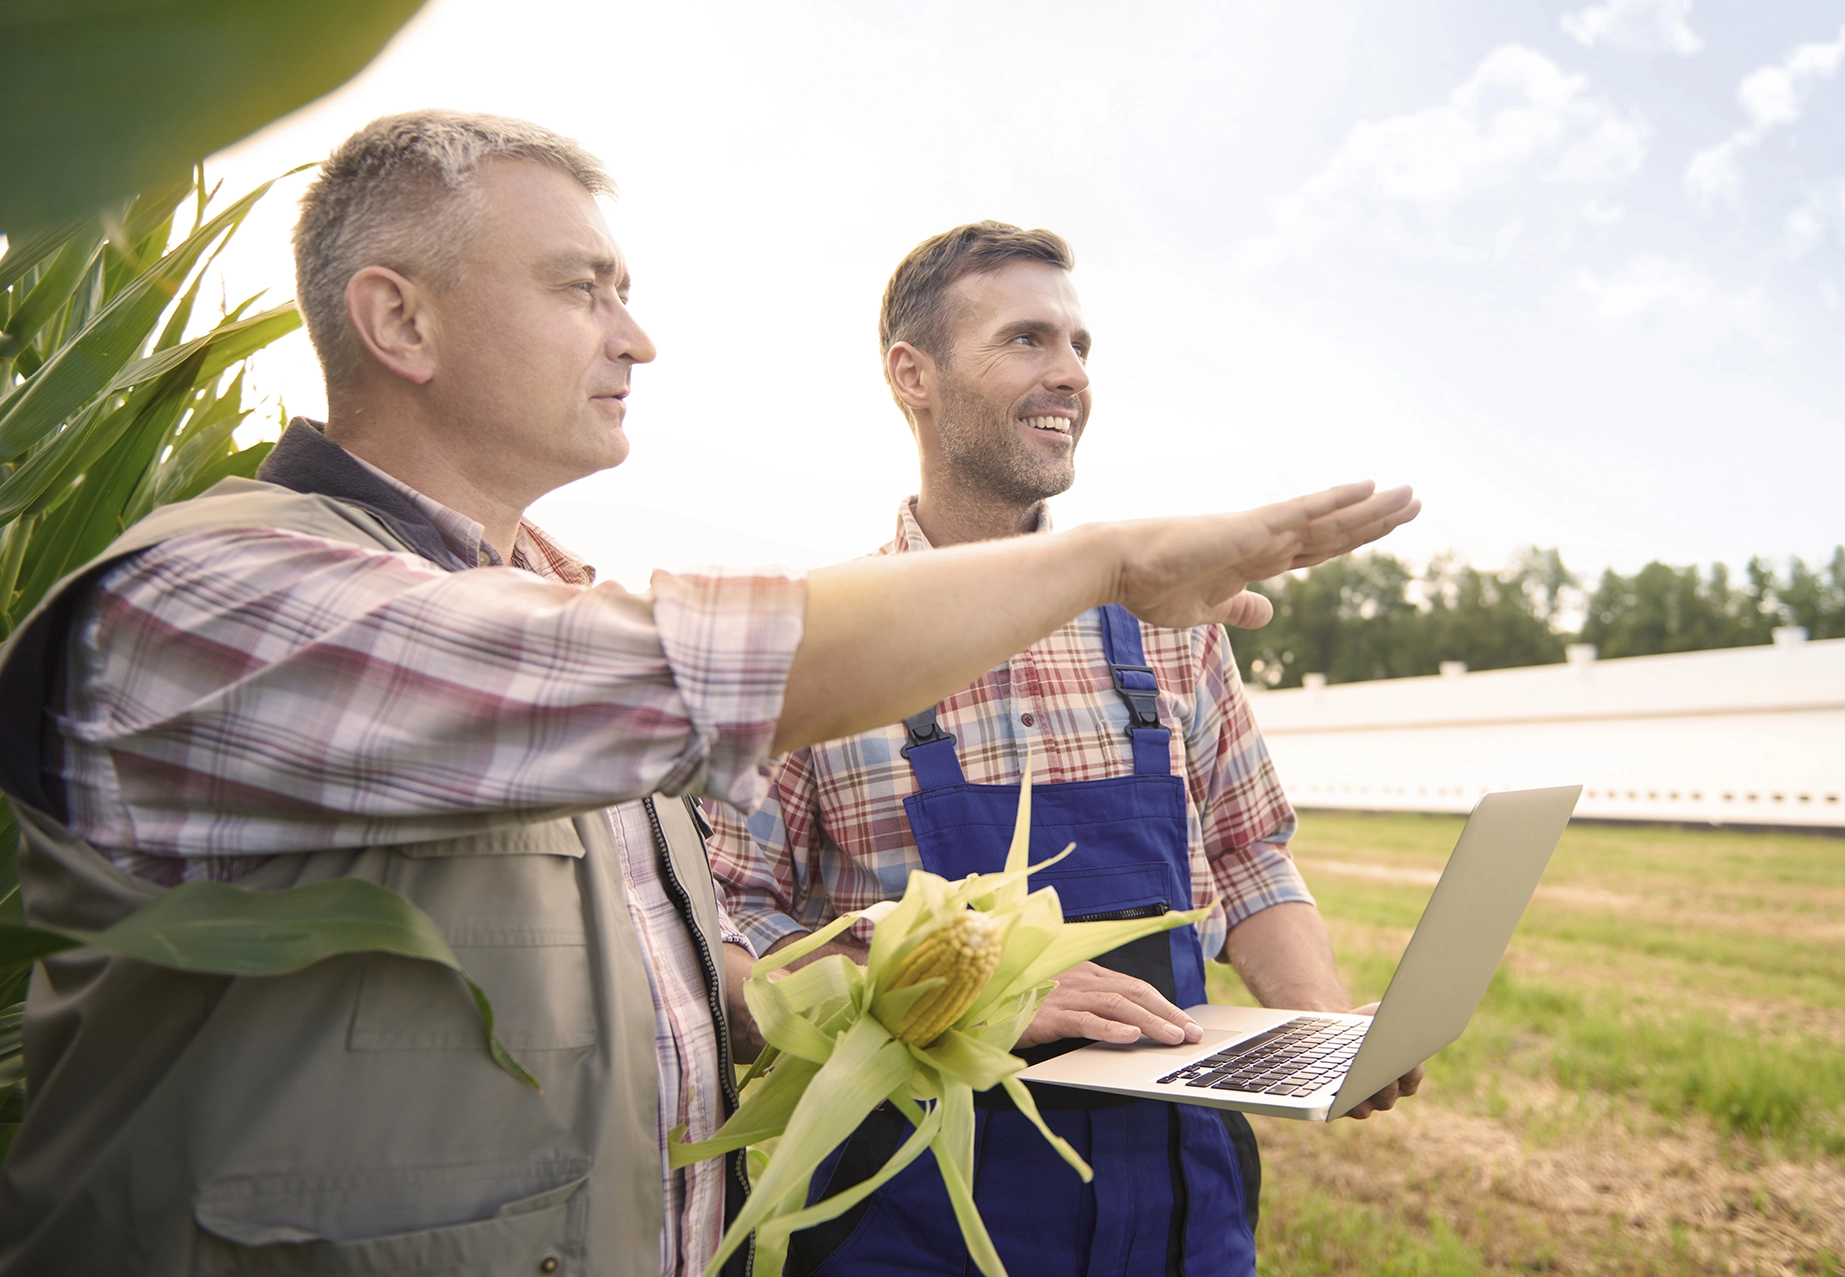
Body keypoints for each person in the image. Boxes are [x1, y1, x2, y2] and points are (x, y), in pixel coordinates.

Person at [0, 122, 1417, 1276]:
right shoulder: (217, 599)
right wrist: (1110, 559)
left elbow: (689, 977)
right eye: (584, 288)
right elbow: (695, 681)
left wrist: (919, 987)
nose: (639, 339)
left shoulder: (542, 605)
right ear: (400, 319)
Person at [705, 221, 1425, 1277]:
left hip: (1181, 1200)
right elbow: (719, 923)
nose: (1069, 375)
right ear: (914, 374)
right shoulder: (825, 641)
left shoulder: (1176, 622)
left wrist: (1320, 1032)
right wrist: (964, 997)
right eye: (1027, 340)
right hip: (913, 1212)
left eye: (1080, 345)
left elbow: (1246, 854)